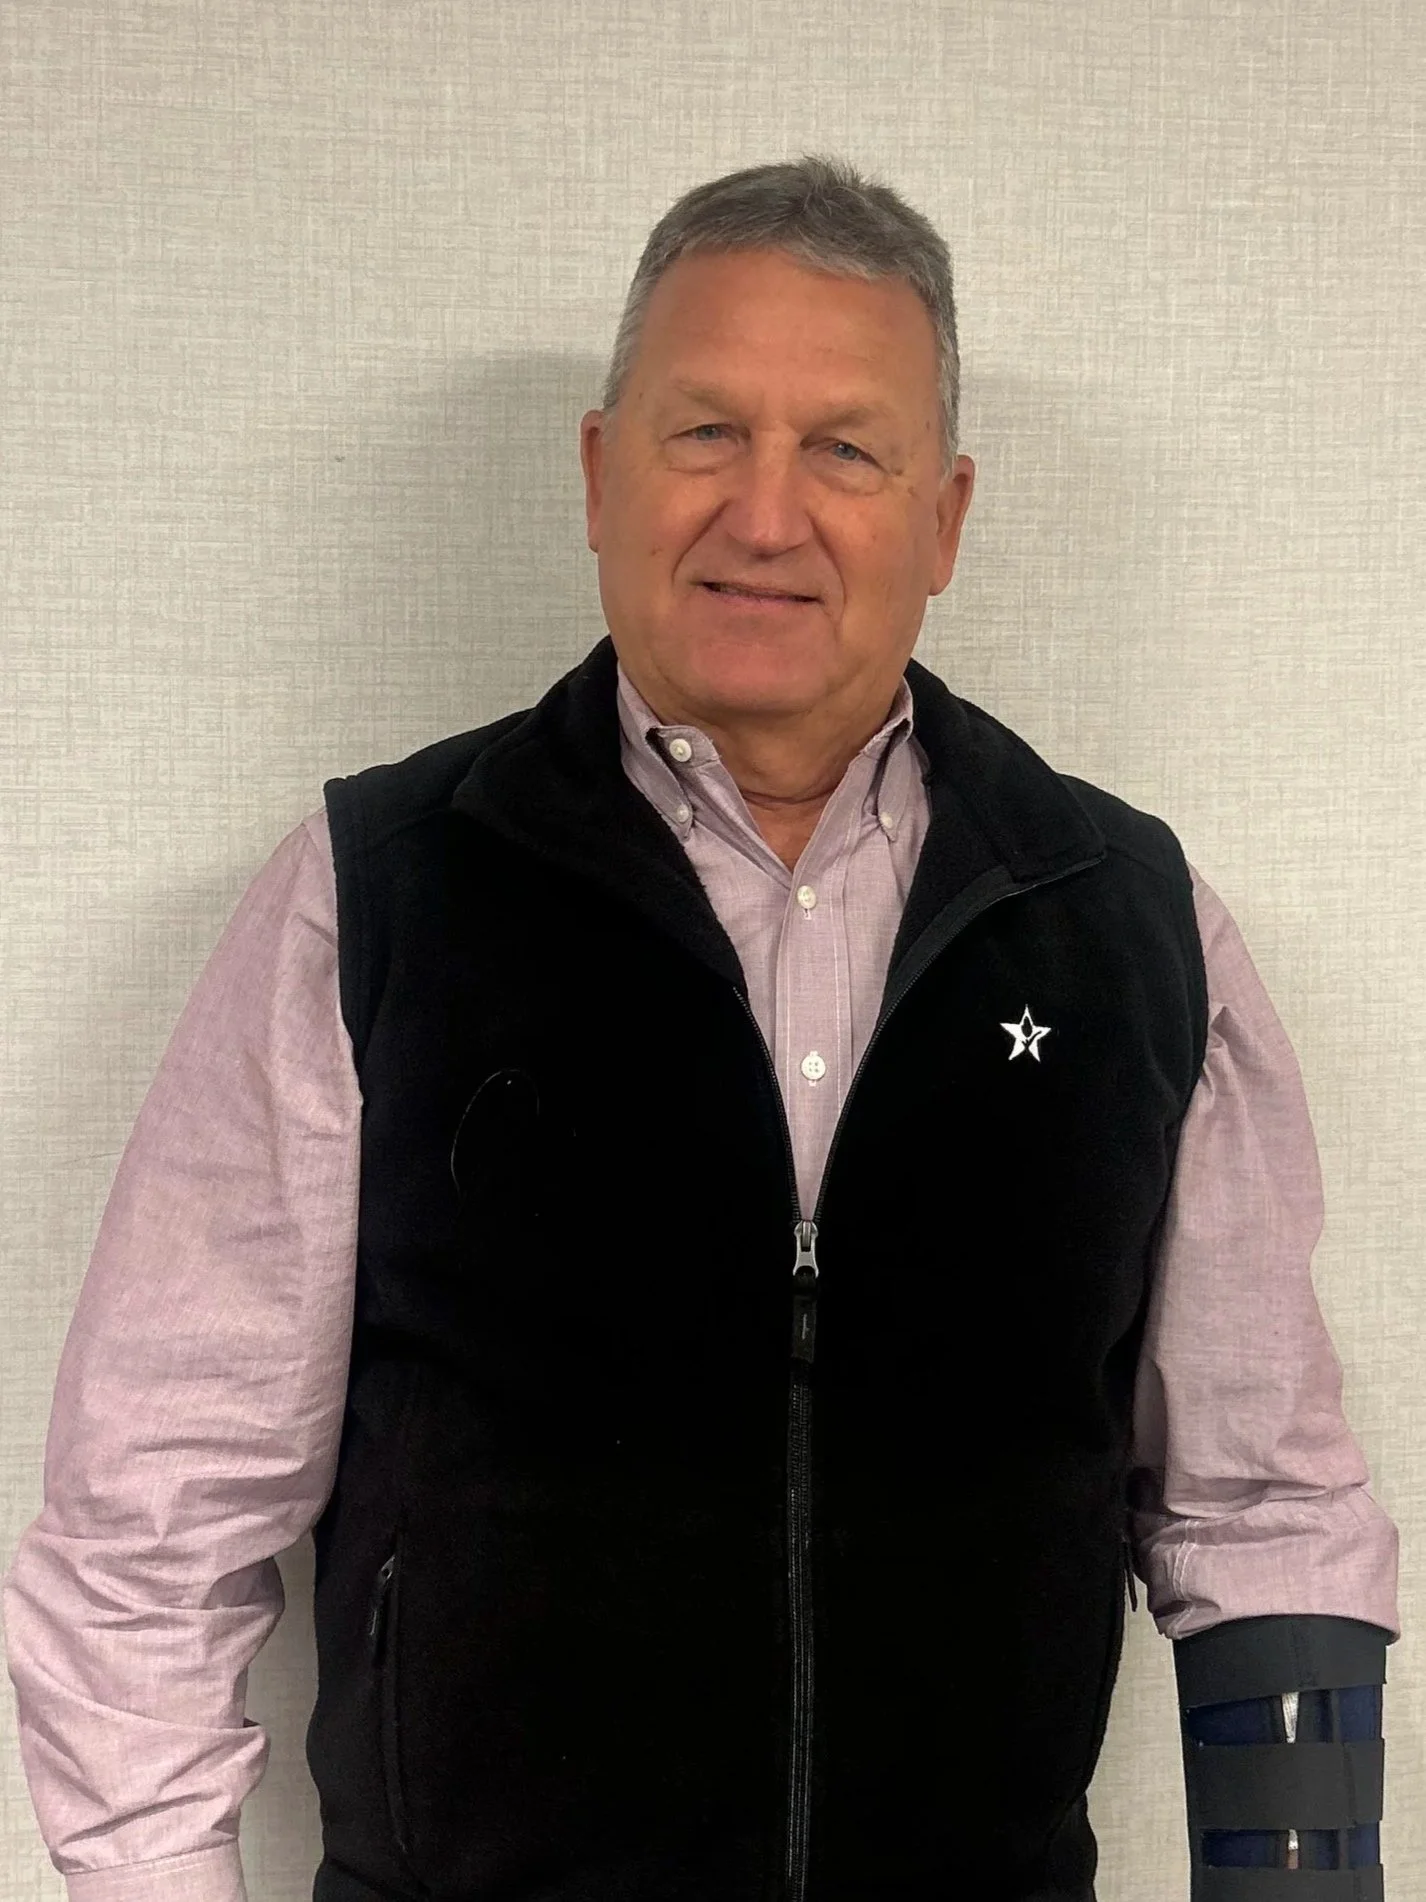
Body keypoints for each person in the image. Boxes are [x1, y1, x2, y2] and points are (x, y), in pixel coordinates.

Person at [3, 154, 1399, 1902]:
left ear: (944, 517)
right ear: (600, 475)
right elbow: (147, 1530)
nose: (765, 513)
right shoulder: (371, 900)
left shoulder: (1131, 926)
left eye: (846, 449)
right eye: (704, 433)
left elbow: (1261, 1509)